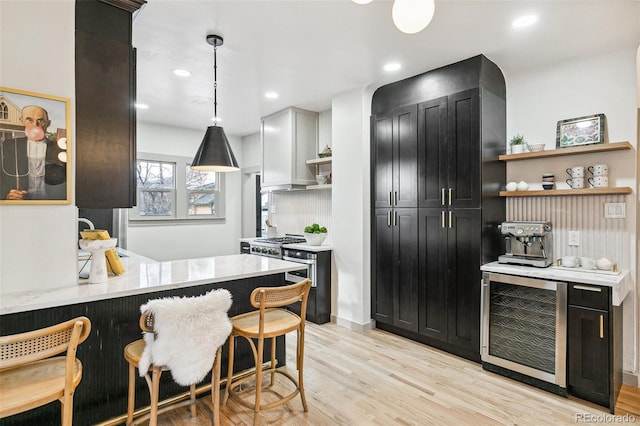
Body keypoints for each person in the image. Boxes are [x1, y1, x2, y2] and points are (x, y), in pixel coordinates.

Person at [0, 105, 66, 200]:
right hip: (20, 204)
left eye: (40, 120)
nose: (35, 125)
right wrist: (5, 196)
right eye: (29, 120)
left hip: (51, 204)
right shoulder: (9, 146)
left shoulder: (60, 149)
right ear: (22, 120)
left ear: (48, 123)